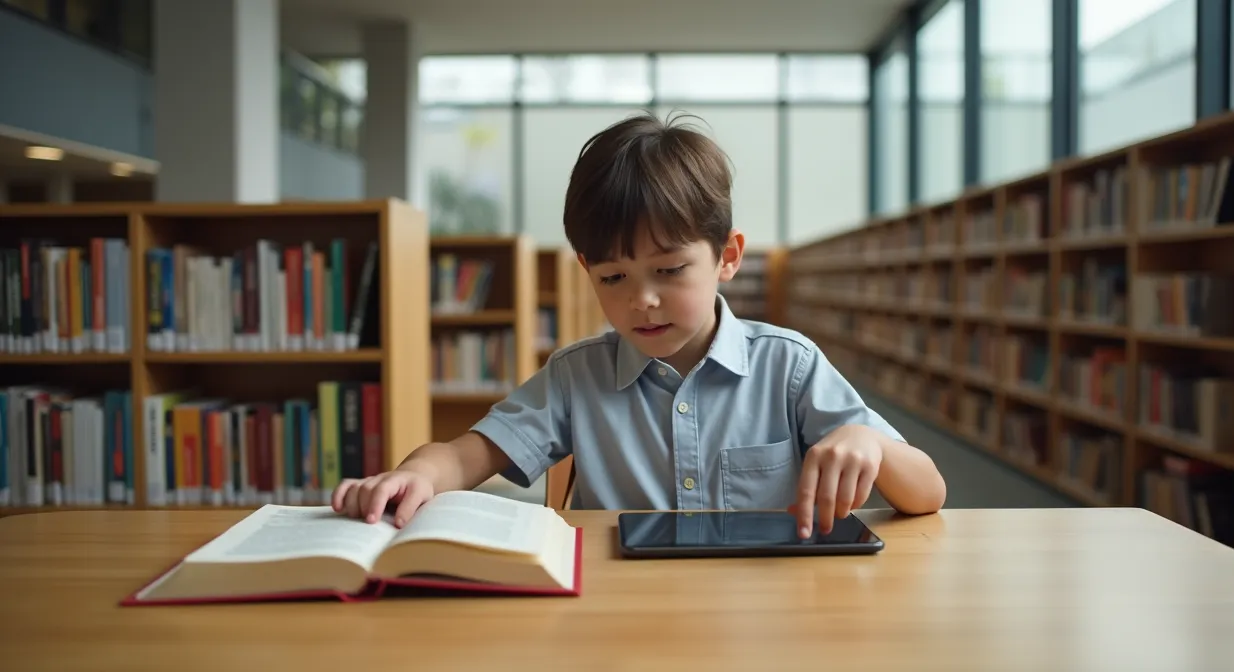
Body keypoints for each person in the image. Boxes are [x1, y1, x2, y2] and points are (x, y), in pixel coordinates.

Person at [332, 112, 947, 538]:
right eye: (614, 278)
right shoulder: (577, 376)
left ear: (728, 257)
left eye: (669, 270)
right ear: (586, 270)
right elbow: (466, 454)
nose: (642, 301)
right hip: (616, 615)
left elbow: (928, 493)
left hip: (764, 608)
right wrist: (417, 473)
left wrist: (872, 444)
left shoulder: (789, 366)